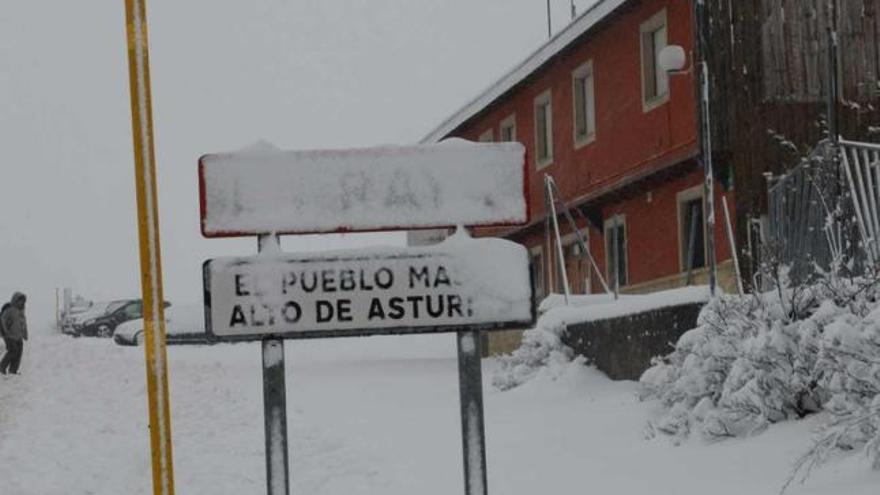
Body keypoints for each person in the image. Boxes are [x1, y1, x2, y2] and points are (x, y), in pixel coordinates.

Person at [0, 292, 28, 375]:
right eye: (20, 300)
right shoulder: (10, 310)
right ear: (15, 300)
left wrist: (25, 334)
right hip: (9, 336)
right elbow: (2, 321)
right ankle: (1, 368)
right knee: (12, 351)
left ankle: (13, 371)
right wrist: (5, 333)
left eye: (23, 301)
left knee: (18, 353)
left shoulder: (22, 311)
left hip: (18, 337)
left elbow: (23, 323)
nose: (21, 302)